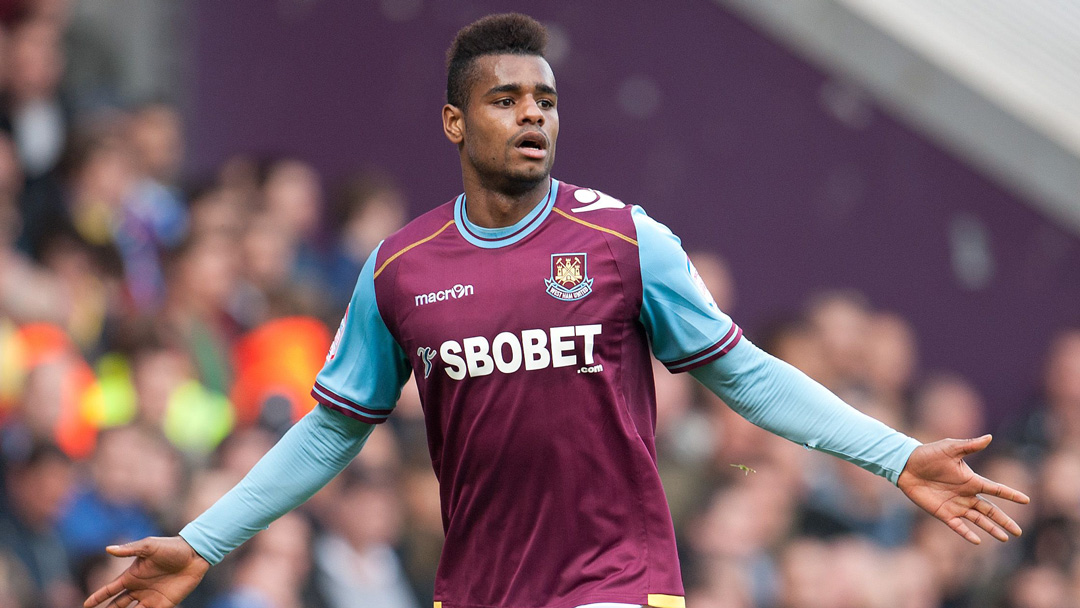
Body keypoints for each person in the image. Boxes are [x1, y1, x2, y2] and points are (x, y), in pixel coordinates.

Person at [84, 13, 1029, 608]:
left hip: (618, 583)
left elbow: (745, 376)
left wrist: (896, 454)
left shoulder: (625, 241)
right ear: (456, 122)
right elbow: (331, 434)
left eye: (545, 99)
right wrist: (205, 542)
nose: (533, 115)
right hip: (482, 590)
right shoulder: (401, 268)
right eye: (505, 100)